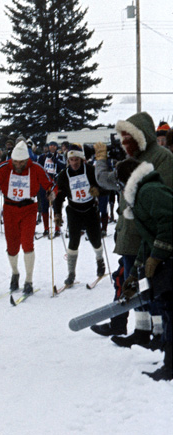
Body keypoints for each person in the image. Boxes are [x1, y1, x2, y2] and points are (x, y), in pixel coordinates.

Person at [92, 112, 173, 346]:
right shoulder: (129, 159)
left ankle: (161, 334)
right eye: (122, 138)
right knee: (133, 286)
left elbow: (163, 201)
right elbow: (108, 180)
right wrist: (100, 159)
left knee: (156, 287)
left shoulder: (162, 157)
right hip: (130, 232)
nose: (124, 143)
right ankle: (141, 330)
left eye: (129, 137)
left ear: (141, 136)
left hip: (151, 234)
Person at [115, 158, 172, 381]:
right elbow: (148, 240)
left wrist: (157, 256)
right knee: (169, 310)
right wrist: (133, 277)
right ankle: (169, 362)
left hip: (169, 259)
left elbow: (169, 221)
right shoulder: (143, 194)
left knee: (170, 310)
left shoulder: (150, 192)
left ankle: (170, 368)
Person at [0, 141, 55, 294]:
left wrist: (51, 192)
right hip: (10, 209)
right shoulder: (4, 168)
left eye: (21, 162)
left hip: (29, 209)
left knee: (27, 243)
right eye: (16, 161)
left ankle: (29, 280)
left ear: (27, 160)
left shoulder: (35, 168)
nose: (18, 164)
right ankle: (15, 273)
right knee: (12, 246)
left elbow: (49, 183)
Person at [53, 145, 106, 286]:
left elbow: (103, 186)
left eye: (76, 159)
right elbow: (59, 196)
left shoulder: (90, 170)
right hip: (74, 210)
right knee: (73, 241)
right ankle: (71, 273)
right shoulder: (64, 175)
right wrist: (57, 213)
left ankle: (100, 260)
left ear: (82, 159)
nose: (74, 163)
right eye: (71, 160)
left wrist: (97, 190)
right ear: (68, 161)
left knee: (95, 239)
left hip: (90, 209)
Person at [36, 141, 65, 238]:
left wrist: (55, 160)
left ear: (56, 147)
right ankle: (46, 228)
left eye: (54, 145)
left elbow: (64, 166)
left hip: (55, 184)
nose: (52, 147)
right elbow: (38, 168)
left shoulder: (60, 156)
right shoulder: (43, 157)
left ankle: (57, 228)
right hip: (44, 184)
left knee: (56, 206)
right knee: (44, 206)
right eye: (50, 145)